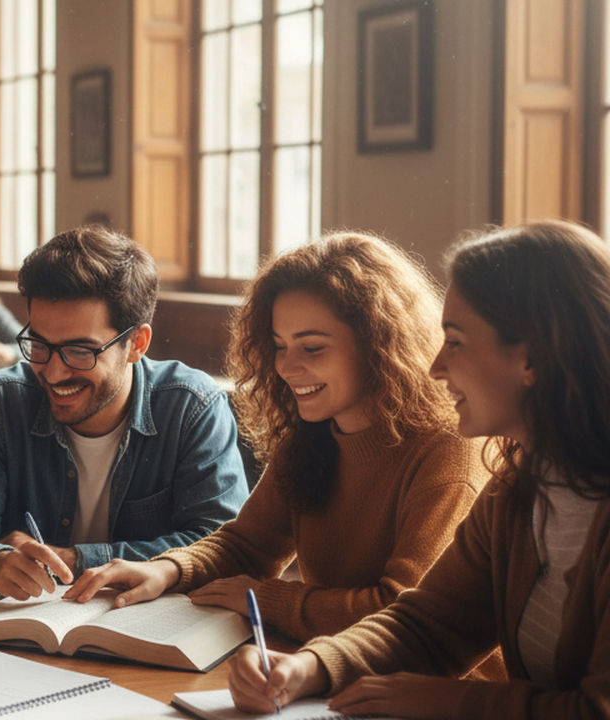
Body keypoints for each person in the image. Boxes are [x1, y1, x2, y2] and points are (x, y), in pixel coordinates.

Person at [227, 220, 610, 718]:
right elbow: (425, 625)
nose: (435, 366)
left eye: (455, 341)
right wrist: (310, 667)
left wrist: (453, 700)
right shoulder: (519, 489)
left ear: (531, 356)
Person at [65, 233, 493, 648]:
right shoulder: (312, 433)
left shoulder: (447, 450)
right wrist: (168, 570)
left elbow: (402, 613)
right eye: (279, 345)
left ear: (379, 346)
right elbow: (246, 545)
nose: (286, 367)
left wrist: (266, 600)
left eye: (312, 348)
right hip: (329, 666)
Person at [0, 226, 249, 602]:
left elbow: (224, 544)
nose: (54, 373)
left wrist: (78, 559)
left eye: (80, 350)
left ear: (136, 344)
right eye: (39, 345)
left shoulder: (192, 406)